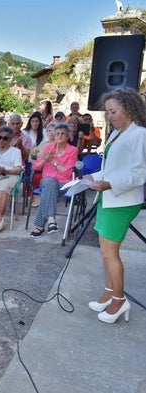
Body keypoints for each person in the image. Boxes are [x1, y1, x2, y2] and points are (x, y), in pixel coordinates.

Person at [85, 88, 146, 324]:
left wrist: (109, 184)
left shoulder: (140, 134)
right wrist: (93, 177)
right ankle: (110, 293)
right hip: (108, 198)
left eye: (113, 111)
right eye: (108, 112)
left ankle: (120, 300)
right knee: (105, 252)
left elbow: (140, 174)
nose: (109, 116)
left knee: (111, 253)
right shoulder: (116, 134)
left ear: (129, 108)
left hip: (121, 201)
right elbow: (111, 168)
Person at [29, 122, 78, 238]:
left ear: (67, 137)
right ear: (54, 136)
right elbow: (35, 167)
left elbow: (66, 172)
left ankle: (40, 226)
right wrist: (44, 160)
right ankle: (51, 219)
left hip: (64, 184)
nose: (60, 136)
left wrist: (53, 161)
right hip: (46, 181)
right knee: (50, 182)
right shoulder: (48, 148)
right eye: (57, 134)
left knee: (48, 192)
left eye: (63, 134)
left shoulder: (73, 150)